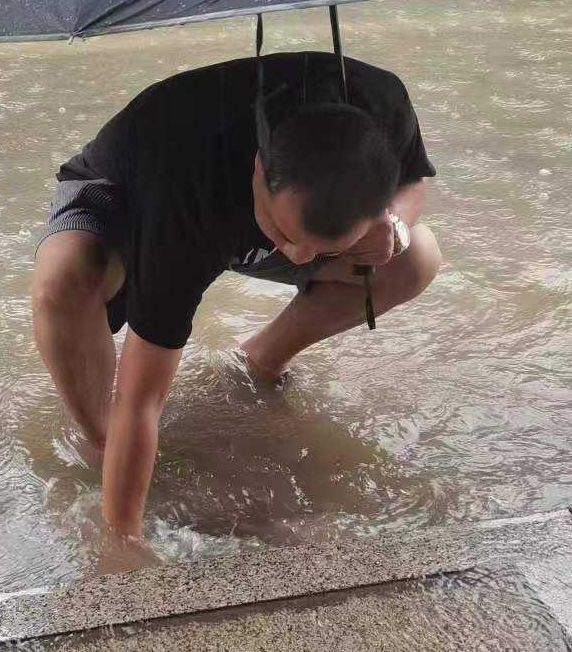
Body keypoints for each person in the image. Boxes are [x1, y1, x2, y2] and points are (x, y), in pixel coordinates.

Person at [32, 48, 440, 549]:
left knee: (416, 258)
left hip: (267, 211)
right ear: (257, 169)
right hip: (130, 196)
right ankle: (100, 440)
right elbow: (141, 393)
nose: (299, 256)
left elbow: (414, 182)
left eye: (319, 248)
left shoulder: (382, 99)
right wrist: (123, 540)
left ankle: (262, 360)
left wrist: (395, 223)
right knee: (65, 278)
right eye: (290, 236)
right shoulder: (185, 188)